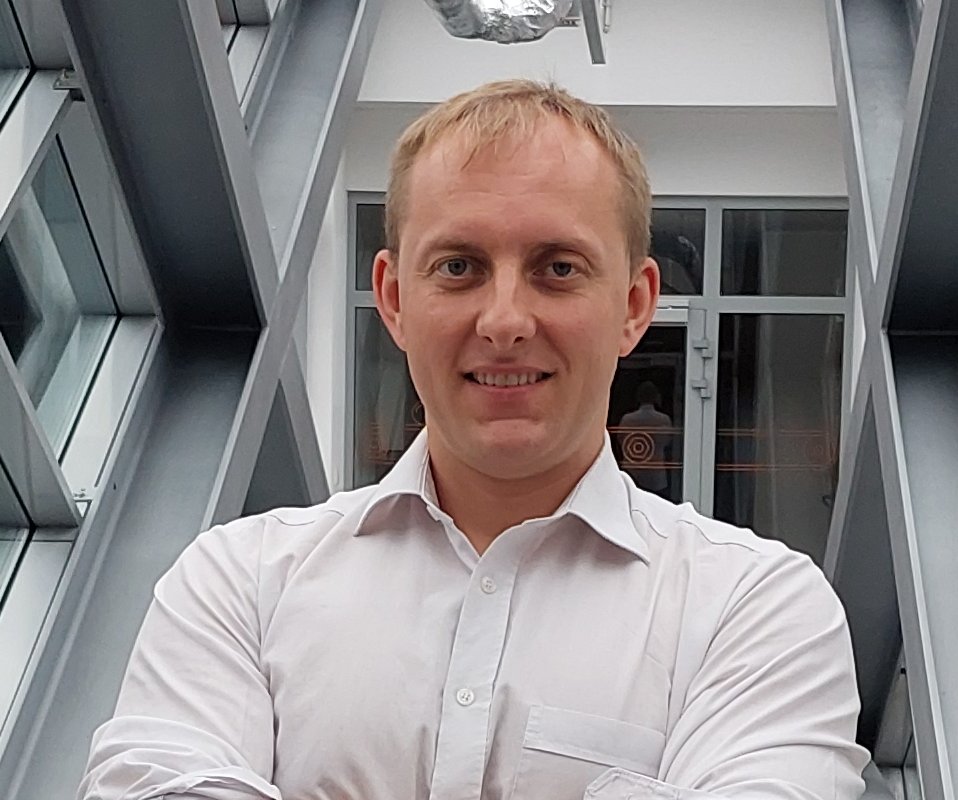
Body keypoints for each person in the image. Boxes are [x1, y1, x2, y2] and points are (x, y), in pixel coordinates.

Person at [78, 80, 869, 800]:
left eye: (558, 269)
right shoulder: (238, 584)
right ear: (393, 298)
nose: (505, 322)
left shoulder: (757, 610)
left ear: (634, 305)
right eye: (458, 267)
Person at [617, 381, 674, 497]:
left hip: (631, 473)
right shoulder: (664, 419)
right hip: (656, 476)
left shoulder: (627, 419)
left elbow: (620, 441)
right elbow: (668, 443)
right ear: (656, 397)